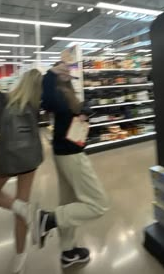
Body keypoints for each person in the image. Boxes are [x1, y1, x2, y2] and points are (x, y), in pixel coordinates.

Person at [34, 62, 109, 269]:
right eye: (62, 69)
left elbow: (73, 116)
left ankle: (68, 251)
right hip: (71, 154)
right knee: (98, 203)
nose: (66, 72)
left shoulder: (68, 92)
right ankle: (48, 219)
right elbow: (47, 100)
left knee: (68, 201)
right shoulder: (55, 91)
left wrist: (85, 110)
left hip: (68, 151)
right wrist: (50, 74)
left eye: (68, 69)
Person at [0, 69, 43, 274]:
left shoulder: (1, 99)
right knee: (23, 202)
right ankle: (20, 256)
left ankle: (21, 209)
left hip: (7, 158)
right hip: (30, 159)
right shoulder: (35, 106)